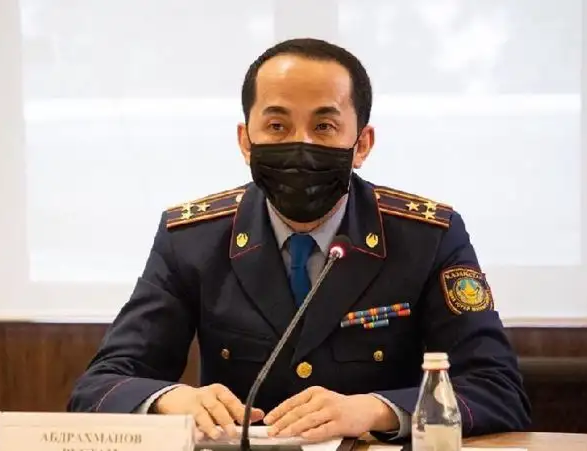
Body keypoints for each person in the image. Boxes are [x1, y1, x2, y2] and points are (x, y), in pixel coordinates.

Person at [67, 37, 531, 443]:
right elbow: (100, 386)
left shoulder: (427, 237)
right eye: (277, 126)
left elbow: (496, 390)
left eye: (324, 126)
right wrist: (172, 399)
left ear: (362, 144)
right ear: (245, 141)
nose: (300, 144)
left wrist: (373, 410)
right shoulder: (192, 239)